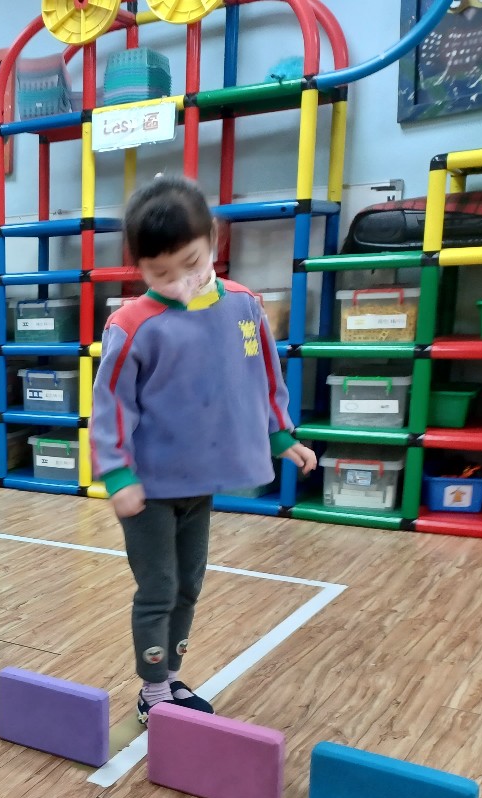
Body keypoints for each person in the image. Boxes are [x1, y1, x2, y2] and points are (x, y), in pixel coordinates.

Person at [91, 174, 317, 724]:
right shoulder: (132, 326)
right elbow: (111, 406)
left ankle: (170, 676)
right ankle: (152, 691)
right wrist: (117, 474)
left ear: (213, 240)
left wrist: (280, 433)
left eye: (190, 263)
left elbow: (264, 377)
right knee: (159, 587)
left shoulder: (243, 306)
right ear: (140, 268)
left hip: (199, 484)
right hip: (149, 491)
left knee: (189, 585)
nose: (178, 282)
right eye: (159, 273)